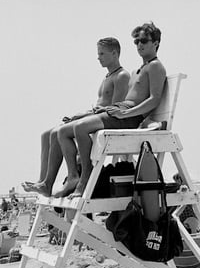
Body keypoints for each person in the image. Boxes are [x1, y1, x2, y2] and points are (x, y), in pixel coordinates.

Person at [61, 22, 166, 198]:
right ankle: (75, 175)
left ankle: (84, 179)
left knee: (80, 128)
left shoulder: (156, 66)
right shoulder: (138, 69)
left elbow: (154, 99)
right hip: (121, 112)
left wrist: (127, 113)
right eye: (136, 41)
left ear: (155, 43)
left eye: (144, 41)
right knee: (68, 128)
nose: (139, 45)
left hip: (129, 117)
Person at [22, 37, 130, 197]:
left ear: (114, 53)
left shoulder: (122, 76)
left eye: (102, 53)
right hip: (94, 117)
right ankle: (45, 182)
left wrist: (84, 115)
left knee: (60, 132)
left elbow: (114, 109)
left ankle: (73, 175)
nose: (98, 57)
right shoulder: (107, 77)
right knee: (47, 134)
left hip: (105, 120)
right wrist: (81, 115)